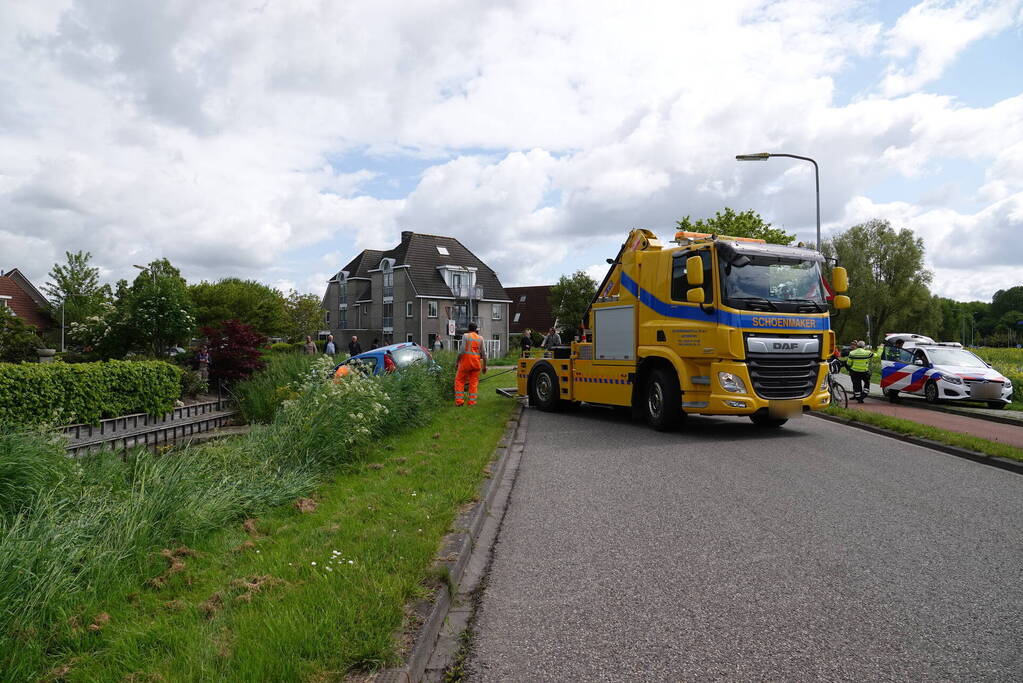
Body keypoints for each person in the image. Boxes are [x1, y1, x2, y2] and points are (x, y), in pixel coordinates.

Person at [454, 322, 487, 407]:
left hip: (465, 363)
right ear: (476, 329)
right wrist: (484, 366)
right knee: (473, 383)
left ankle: (459, 402)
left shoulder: (466, 336)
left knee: (459, 381)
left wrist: (457, 362)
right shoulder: (480, 338)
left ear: (468, 329)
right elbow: (484, 354)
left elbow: (461, 351)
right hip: (476, 364)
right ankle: (472, 403)